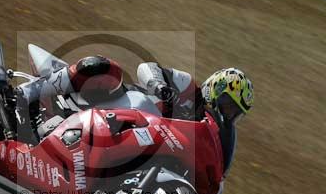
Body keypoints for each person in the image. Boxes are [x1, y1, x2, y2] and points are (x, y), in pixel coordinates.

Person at [17, 56, 254, 175]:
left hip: (130, 147)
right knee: (107, 67)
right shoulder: (189, 88)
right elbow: (146, 68)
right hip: (120, 108)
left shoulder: (204, 132)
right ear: (215, 88)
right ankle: (22, 95)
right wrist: (159, 86)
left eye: (234, 112)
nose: (227, 113)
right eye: (227, 104)